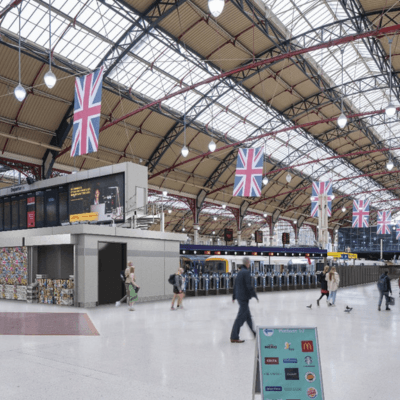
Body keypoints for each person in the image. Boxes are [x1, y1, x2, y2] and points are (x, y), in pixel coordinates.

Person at [230, 257, 258, 343]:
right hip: (243, 297)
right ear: (248, 263)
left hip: (240, 297)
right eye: (249, 263)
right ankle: (234, 336)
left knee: (248, 317)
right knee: (240, 317)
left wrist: (234, 296)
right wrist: (254, 294)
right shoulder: (246, 272)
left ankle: (255, 334)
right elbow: (248, 285)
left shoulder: (240, 272)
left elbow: (236, 285)